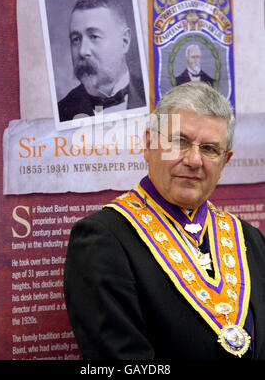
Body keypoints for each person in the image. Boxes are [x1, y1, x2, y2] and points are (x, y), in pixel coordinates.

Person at [64, 81, 265, 360]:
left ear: (225, 161)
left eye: (209, 148)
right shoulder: (103, 239)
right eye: (179, 142)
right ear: (148, 144)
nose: (194, 160)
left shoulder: (249, 239)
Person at [58, 0, 146, 121]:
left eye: (94, 37)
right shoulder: (62, 111)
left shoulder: (156, 94)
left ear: (124, 42)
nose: (82, 51)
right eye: (76, 39)